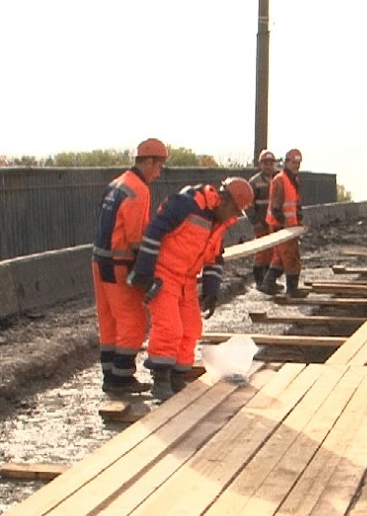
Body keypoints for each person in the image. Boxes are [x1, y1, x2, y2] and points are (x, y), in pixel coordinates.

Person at [127, 177, 255, 402]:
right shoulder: (187, 204)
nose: (234, 217)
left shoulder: (218, 223)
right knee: (169, 327)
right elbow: (155, 230)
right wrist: (145, 271)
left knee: (191, 328)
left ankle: (178, 376)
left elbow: (215, 258)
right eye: (234, 210)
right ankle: (161, 381)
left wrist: (211, 290)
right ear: (223, 201)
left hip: (186, 280)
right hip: (164, 274)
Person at [91, 138, 168, 394]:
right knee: (133, 320)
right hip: (119, 263)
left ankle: (110, 376)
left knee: (109, 320)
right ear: (149, 162)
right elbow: (136, 239)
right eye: (159, 166)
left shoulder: (117, 183)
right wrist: (146, 271)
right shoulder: (139, 190)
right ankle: (122, 377)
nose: (159, 173)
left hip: (100, 261)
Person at [257, 148, 306, 297]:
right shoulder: (280, 180)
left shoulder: (293, 180)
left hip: (289, 225)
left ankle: (268, 283)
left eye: (298, 163)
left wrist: (298, 217)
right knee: (291, 256)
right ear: (286, 162)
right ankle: (292, 289)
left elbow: (295, 203)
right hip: (281, 226)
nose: (296, 166)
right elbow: (276, 207)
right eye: (293, 162)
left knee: (279, 257)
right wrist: (285, 224)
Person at [247, 149, 278, 288]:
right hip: (261, 223)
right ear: (261, 165)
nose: (268, 166)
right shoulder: (254, 182)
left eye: (271, 163)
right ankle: (260, 281)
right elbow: (248, 204)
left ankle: (269, 282)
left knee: (273, 252)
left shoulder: (277, 180)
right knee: (261, 252)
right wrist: (255, 221)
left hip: (274, 223)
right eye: (266, 163)